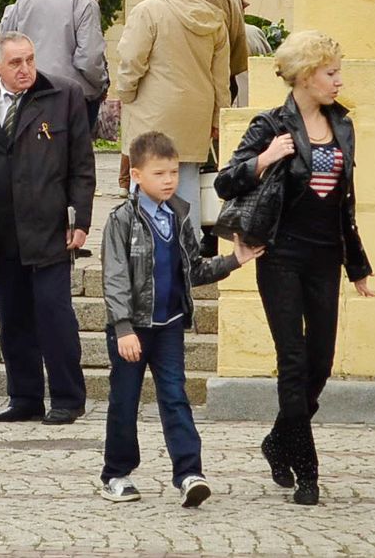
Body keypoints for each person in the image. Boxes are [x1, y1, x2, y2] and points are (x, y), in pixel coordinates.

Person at [215, 30, 374, 506]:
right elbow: (225, 181)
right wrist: (265, 159)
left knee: (320, 361)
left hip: (326, 257)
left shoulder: (342, 124)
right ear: (306, 76)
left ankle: (278, 439)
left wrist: (357, 264)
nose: (339, 81)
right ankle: (307, 471)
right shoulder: (271, 124)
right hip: (280, 256)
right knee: (294, 361)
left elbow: (345, 203)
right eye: (331, 73)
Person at [99, 130, 261, 506]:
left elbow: (194, 269)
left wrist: (234, 260)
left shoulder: (179, 215)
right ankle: (116, 474)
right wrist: (122, 327)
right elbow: (115, 277)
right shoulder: (122, 220)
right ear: (136, 175)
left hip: (169, 324)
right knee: (124, 401)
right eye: (159, 173)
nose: (169, 180)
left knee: (175, 397)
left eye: (173, 172)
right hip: (132, 328)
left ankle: (189, 473)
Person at [0, 31, 95, 425]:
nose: (25, 69)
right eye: (15, 62)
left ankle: (68, 398)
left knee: (54, 315)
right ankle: (24, 397)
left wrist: (80, 220)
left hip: (49, 228)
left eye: (30, 59)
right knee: (12, 319)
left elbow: (82, 165)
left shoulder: (63, 95)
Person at [117, 0, 229, 213]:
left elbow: (131, 60)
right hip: (196, 114)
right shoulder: (215, 20)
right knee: (187, 182)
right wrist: (217, 119)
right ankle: (187, 237)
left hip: (152, 110)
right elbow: (221, 78)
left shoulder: (149, 11)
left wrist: (126, 93)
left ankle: (145, 236)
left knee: (149, 178)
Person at [0, 0, 110, 129]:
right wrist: (101, 84)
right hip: (70, 98)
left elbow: (6, 39)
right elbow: (90, 58)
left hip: (28, 91)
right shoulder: (84, 1)